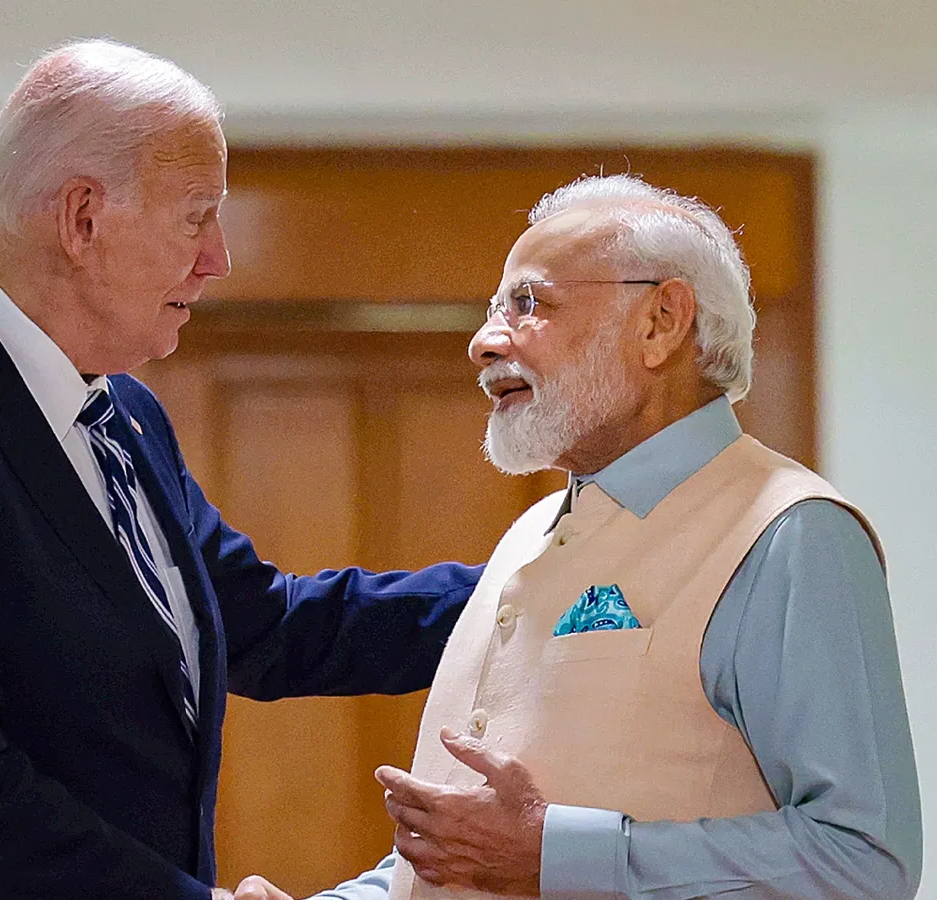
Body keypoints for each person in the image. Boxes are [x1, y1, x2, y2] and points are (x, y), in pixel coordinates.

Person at [0, 39, 481, 900]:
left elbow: (266, 625)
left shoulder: (126, 413)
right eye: (197, 215)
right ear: (83, 219)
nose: (218, 258)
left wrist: (517, 594)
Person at [257, 174, 922, 900]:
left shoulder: (791, 534)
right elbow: (472, 860)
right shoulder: (531, 534)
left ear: (661, 321)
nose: (484, 342)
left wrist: (558, 853)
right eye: (494, 310)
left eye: (530, 303)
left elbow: (863, 862)